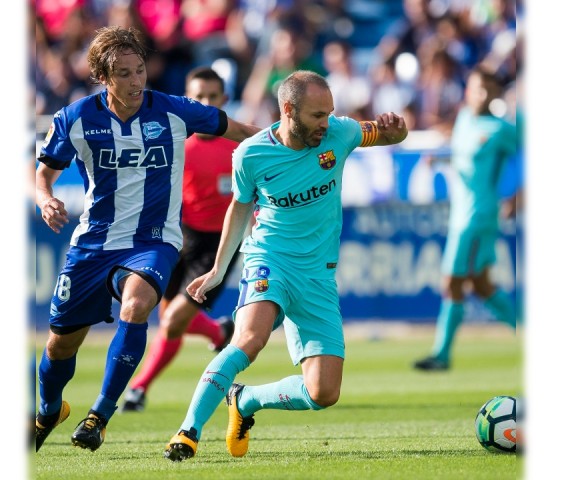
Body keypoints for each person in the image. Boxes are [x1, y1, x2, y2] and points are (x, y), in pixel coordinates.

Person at [33, 25, 261, 453]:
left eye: (139, 70)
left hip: (153, 240)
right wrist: (45, 199)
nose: (136, 81)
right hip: (93, 244)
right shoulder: (76, 118)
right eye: (123, 73)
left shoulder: (174, 109)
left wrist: (292, 139)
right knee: (60, 344)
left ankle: (99, 414)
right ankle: (48, 410)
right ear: (103, 76)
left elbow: (240, 129)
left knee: (138, 305)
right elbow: (43, 170)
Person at [163, 70, 408, 462]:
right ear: (288, 110)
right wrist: (218, 269)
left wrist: (398, 129)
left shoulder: (340, 134)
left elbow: (386, 135)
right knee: (249, 340)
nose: (325, 123)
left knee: (323, 393)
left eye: (329, 113)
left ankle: (245, 401)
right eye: (316, 115)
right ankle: (188, 431)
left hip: (318, 276)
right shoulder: (250, 154)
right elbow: (239, 208)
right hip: (268, 260)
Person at [120, 66, 242, 413]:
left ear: (224, 100)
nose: (204, 103)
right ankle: (219, 334)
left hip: (218, 244)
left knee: (173, 320)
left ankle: (139, 388)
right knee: (169, 318)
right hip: (176, 238)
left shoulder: (239, 145)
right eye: (197, 97)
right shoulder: (173, 143)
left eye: (212, 97)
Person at [412, 65, 518, 371]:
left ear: (496, 93)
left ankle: (441, 355)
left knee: (452, 281)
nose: (480, 94)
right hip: (461, 213)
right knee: (481, 285)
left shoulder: (501, 129)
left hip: (478, 215)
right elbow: (463, 155)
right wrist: (440, 157)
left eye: (486, 89)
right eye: (475, 88)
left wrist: (518, 196)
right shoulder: (464, 120)